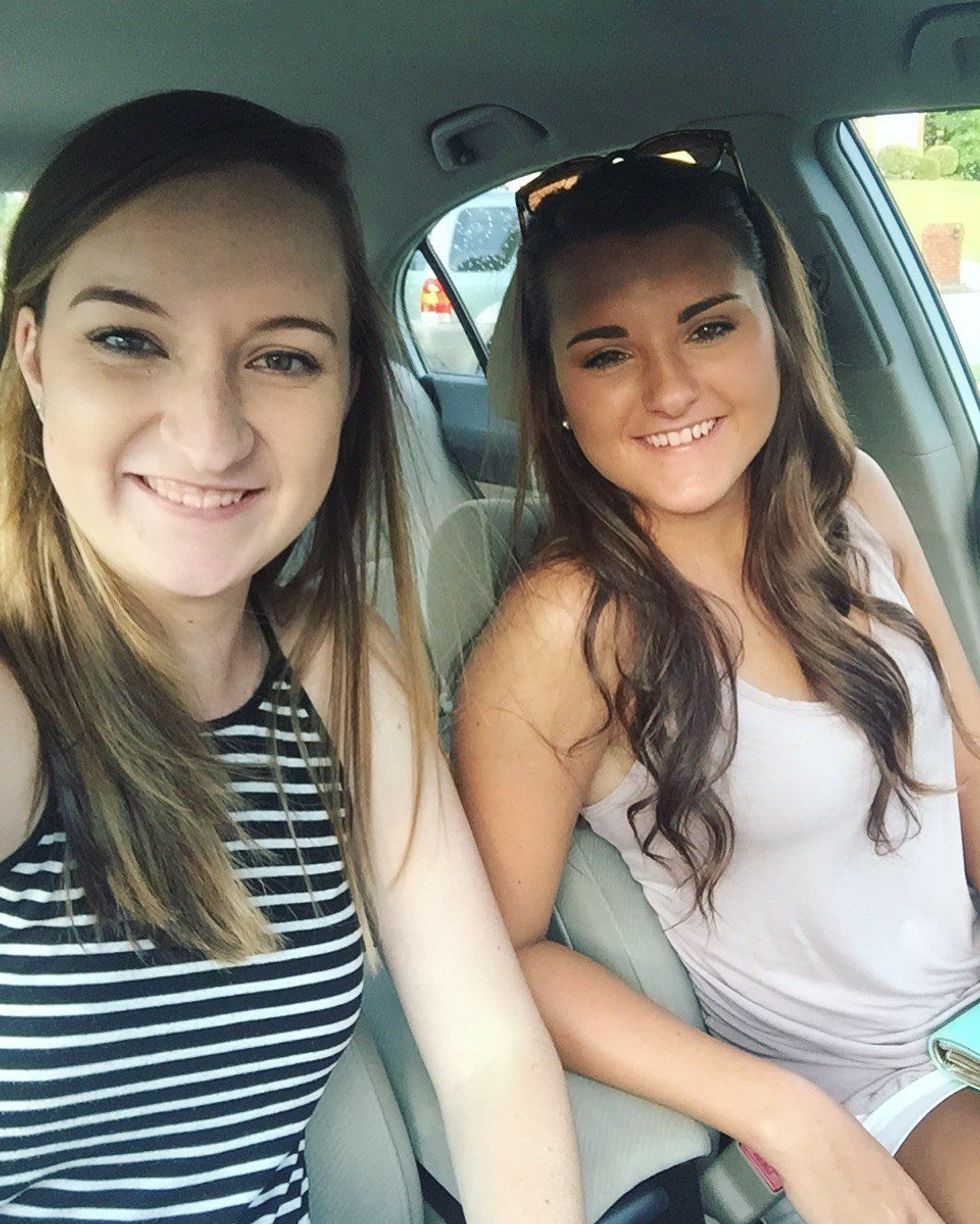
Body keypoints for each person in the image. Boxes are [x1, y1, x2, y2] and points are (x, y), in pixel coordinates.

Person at [0, 90, 584, 1224]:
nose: (209, 434)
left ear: (349, 387)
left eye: (281, 357)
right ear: (33, 357)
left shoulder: (338, 664)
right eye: (128, 340)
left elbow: (489, 1058)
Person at [453, 132, 980, 1224]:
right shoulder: (566, 630)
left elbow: (967, 756)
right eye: (605, 353)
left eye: (708, 327)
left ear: (775, 329)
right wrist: (785, 1115)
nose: (668, 388)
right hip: (871, 1085)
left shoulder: (851, 497)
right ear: (555, 390)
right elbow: (496, 956)